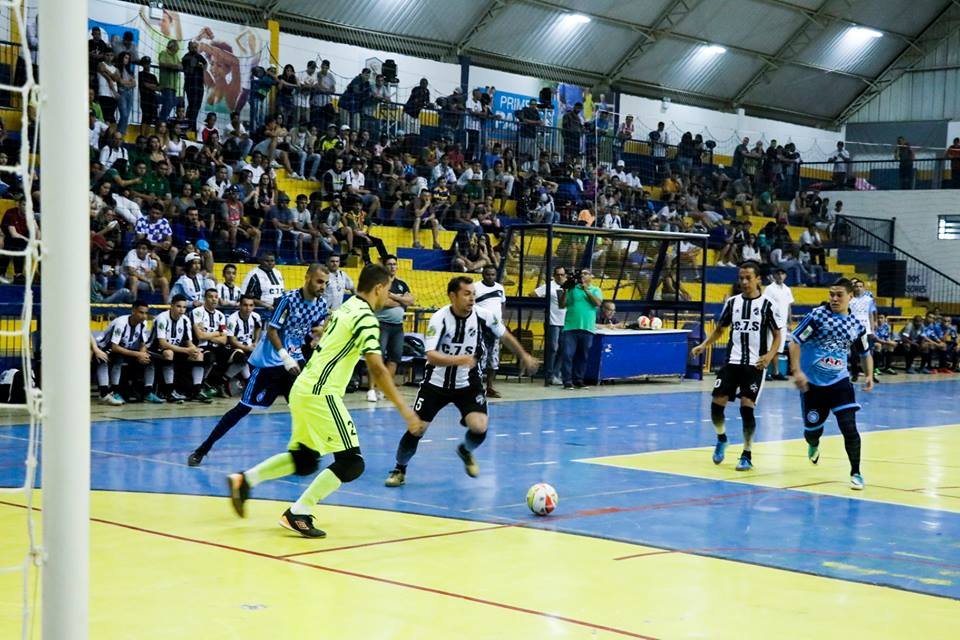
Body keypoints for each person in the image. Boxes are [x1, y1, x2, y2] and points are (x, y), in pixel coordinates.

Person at [227, 264, 421, 538]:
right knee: (352, 462)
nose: (388, 297)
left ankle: (245, 480)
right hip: (321, 392)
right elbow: (377, 367)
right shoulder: (365, 317)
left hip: (304, 388)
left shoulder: (346, 306)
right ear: (379, 288)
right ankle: (299, 512)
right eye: (388, 291)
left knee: (305, 459)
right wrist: (405, 410)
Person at [383, 276, 539, 488]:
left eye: (473, 294)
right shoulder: (440, 318)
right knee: (416, 429)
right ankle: (399, 469)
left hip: (467, 383)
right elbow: (431, 355)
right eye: (466, 294)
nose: (472, 299)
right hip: (436, 384)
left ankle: (465, 450)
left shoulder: (483, 316)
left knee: (480, 426)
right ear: (452, 296)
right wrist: (460, 359)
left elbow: (504, 335)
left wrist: (524, 355)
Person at [187, 265, 330, 466]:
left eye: (326, 283)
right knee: (242, 409)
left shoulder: (321, 305)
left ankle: (308, 451)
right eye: (319, 281)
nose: (323, 286)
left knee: (303, 407)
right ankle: (203, 449)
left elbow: (316, 326)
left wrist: (316, 336)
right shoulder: (288, 300)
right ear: (307, 278)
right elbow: (272, 332)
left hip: (294, 362)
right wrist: (285, 357)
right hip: (269, 362)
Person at [691, 262, 782, 471]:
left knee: (746, 409)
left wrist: (769, 356)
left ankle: (747, 453)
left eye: (748, 278)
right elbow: (720, 330)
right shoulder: (732, 303)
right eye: (741, 278)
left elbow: (778, 336)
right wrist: (704, 345)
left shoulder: (768, 305)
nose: (743, 282)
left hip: (755, 365)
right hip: (731, 362)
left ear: (758, 279)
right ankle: (722, 438)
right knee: (716, 407)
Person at [789, 278, 872, 490]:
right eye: (831, 294)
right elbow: (795, 341)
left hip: (839, 382)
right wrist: (797, 371)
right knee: (812, 432)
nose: (834, 299)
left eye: (839, 295)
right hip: (812, 385)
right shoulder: (817, 317)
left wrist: (869, 374)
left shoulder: (856, 326)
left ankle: (856, 472)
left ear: (850, 296)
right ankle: (814, 444)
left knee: (849, 427)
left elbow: (864, 352)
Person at [368, 255, 414, 403]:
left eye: (395, 264)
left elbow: (411, 300)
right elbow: (381, 302)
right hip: (381, 325)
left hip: (398, 327)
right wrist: (401, 300)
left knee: (394, 358)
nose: (393, 267)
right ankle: (372, 389)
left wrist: (394, 296)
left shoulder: (401, 284)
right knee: (377, 357)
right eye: (390, 264)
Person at [94, 300, 157, 405]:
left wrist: (142, 354)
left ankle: (147, 392)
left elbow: (143, 344)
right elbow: (114, 347)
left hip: (126, 349)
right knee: (115, 358)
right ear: (133, 311)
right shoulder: (121, 323)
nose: (144, 316)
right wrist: (138, 354)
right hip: (105, 348)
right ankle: (113, 391)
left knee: (149, 359)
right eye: (141, 312)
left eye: (146, 313)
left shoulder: (143, 323)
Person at [559, 269, 602, 390]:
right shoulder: (573, 289)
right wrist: (565, 291)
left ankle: (578, 380)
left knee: (582, 355)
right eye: (581, 274)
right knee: (568, 354)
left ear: (591, 276)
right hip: (571, 327)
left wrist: (586, 290)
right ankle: (567, 380)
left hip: (587, 327)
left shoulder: (596, 290)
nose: (583, 275)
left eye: (586, 273)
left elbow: (597, 303)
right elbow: (562, 305)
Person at [473, 265, 506, 397]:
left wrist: (501, 320)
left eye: (493, 274)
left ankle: (490, 387)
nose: (490, 277)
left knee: (493, 359)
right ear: (483, 274)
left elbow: (503, 304)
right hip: (481, 328)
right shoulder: (475, 287)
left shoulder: (500, 288)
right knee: (481, 357)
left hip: (495, 329)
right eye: (488, 274)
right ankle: (477, 387)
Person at [533, 265, 566, 386]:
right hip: (553, 321)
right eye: (558, 274)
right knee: (553, 348)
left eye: (562, 274)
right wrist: (545, 305)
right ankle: (549, 374)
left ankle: (556, 374)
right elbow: (533, 294)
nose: (560, 277)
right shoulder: (549, 286)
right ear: (554, 275)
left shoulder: (569, 286)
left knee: (563, 348)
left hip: (566, 321)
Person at [763, 268, 793, 381]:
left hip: (783, 324)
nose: (780, 276)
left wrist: (789, 322)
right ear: (774, 275)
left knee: (778, 349)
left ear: (785, 276)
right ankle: (764, 371)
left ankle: (776, 372)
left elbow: (789, 307)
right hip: (771, 322)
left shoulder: (787, 289)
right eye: (778, 273)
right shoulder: (769, 289)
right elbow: (765, 304)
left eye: (782, 274)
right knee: (768, 347)